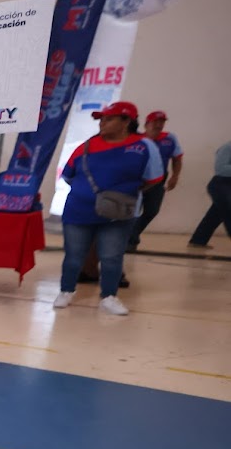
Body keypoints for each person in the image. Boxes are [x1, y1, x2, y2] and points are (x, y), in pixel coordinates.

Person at [54, 102, 163, 316]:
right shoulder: (87, 146)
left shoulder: (144, 146)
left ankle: (109, 297)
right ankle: (66, 291)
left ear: (126, 122)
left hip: (118, 214)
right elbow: (68, 175)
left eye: (109, 119)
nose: (102, 123)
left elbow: (153, 179)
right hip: (79, 211)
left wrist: (121, 195)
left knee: (112, 256)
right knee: (74, 255)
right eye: (101, 119)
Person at [128, 111, 184, 251]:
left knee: (152, 210)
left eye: (162, 122)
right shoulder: (137, 139)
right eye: (155, 122)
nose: (159, 125)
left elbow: (177, 158)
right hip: (138, 180)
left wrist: (175, 176)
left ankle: (131, 236)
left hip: (158, 180)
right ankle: (131, 241)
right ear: (147, 124)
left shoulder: (169, 139)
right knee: (133, 212)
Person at [187, 140, 231, 249]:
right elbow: (220, 169)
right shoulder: (227, 147)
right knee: (228, 211)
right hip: (221, 184)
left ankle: (198, 241)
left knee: (215, 215)